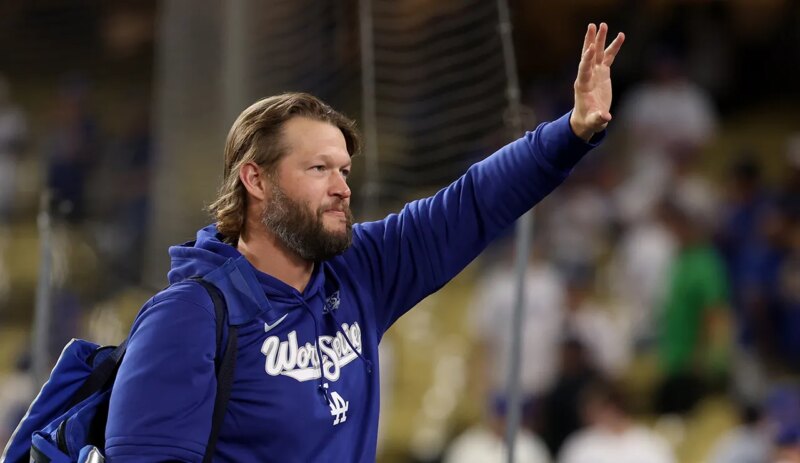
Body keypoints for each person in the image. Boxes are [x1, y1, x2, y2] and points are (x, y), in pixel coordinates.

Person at [104, 23, 625, 462]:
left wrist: (572, 131)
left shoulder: (361, 271)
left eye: (345, 170)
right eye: (318, 169)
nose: (342, 187)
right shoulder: (188, 316)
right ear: (256, 181)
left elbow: (470, 204)